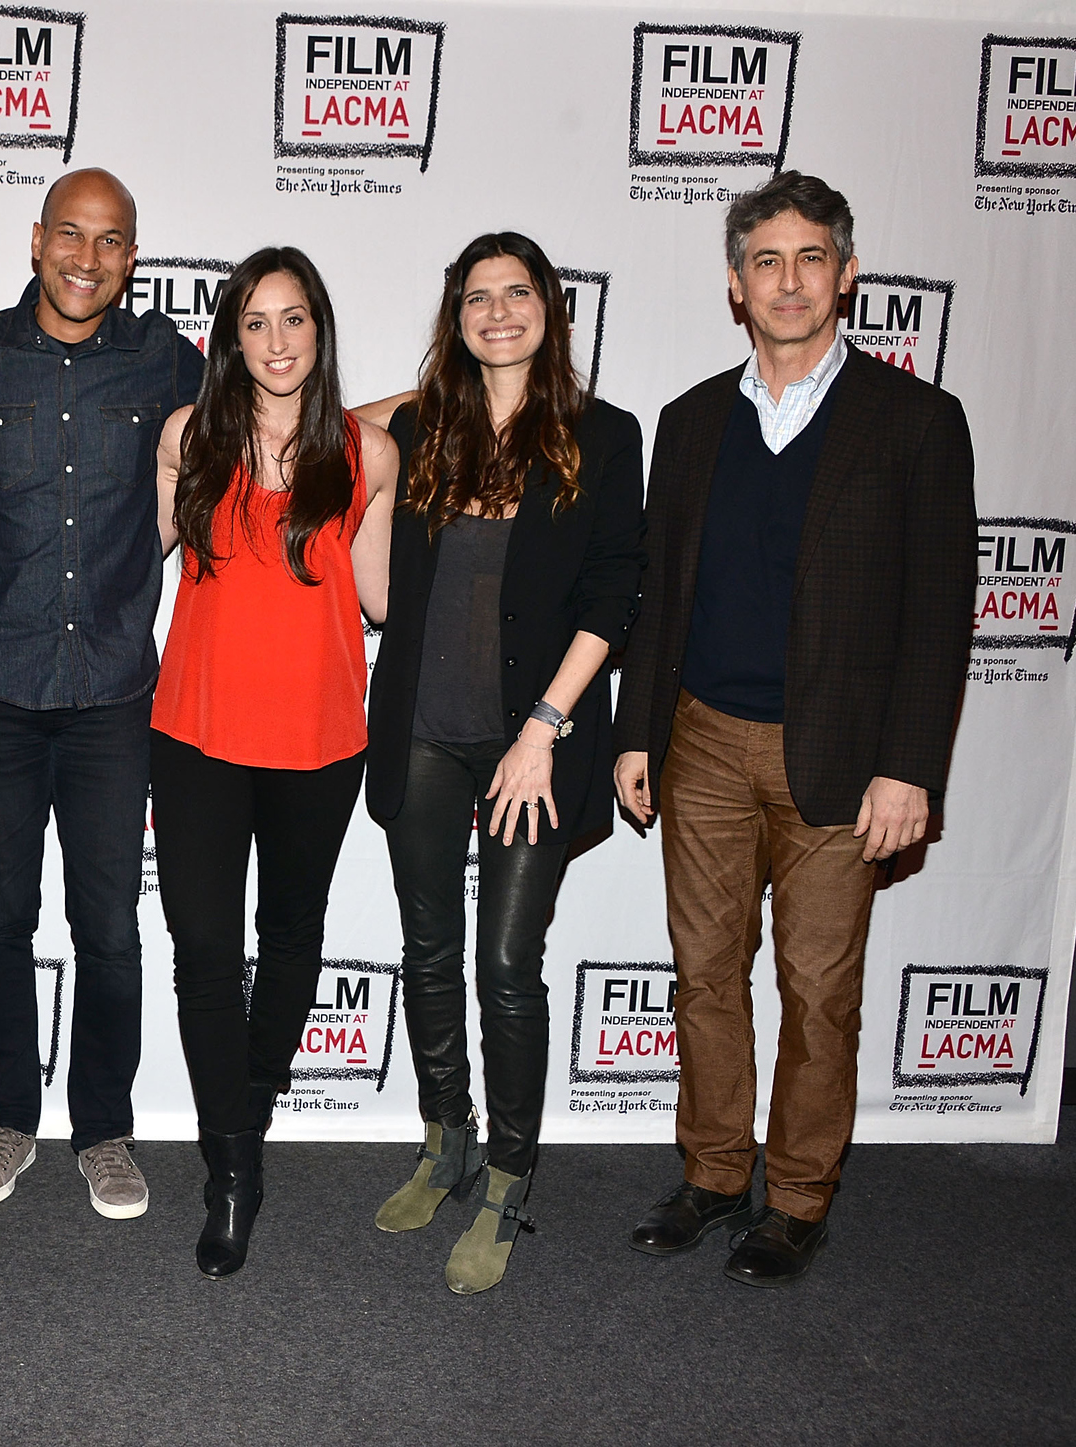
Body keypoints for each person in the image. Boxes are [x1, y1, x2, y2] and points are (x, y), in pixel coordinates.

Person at [613, 172, 976, 1286]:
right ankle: (715, 1177)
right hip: (703, 740)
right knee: (702, 976)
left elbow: (938, 612)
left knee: (819, 991)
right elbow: (655, 597)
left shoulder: (914, 421)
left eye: (808, 257)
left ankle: (799, 1197)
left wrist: (908, 767)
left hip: (840, 759)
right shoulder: (685, 423)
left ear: (845, 274)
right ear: (734, 284)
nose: (786, 279)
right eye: (763, 261)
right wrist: (636, 737)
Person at [353, 233, 645, 1295]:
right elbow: (332, 429)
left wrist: (542, 730)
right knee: (426, 950)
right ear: (454, 318)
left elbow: (615, 593)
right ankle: (447, 1137)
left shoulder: (604, 436)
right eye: (474, 299)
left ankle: (510, 1175)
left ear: (549, 308)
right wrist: (425, 390)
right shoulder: (421, 427)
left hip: (537, 738)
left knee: (504, 965)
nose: (496, 312)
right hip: (424, 727)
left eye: (515, 294)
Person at [0, 169, 205, 1220]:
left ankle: (104, 1129)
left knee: (110, 925)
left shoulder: (165, 360)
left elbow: (281, 411)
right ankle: (5, 1119)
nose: (87, 259)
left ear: (132, 257)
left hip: (112, 694)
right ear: (36, 239)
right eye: (70, 236)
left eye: (111, 241)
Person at [149, 247, 397, 1277]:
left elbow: (378, 602)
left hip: (318, 735)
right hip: (196, 730)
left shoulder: (368, 452)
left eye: (293, 319)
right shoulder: (186, 437)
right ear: (229, 338)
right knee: (204, 951)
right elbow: (139, 555)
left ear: (318, 330)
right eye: (255, 322)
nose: (277, 340)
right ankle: (231, 1171)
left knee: (289, 936)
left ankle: (237, 1133)